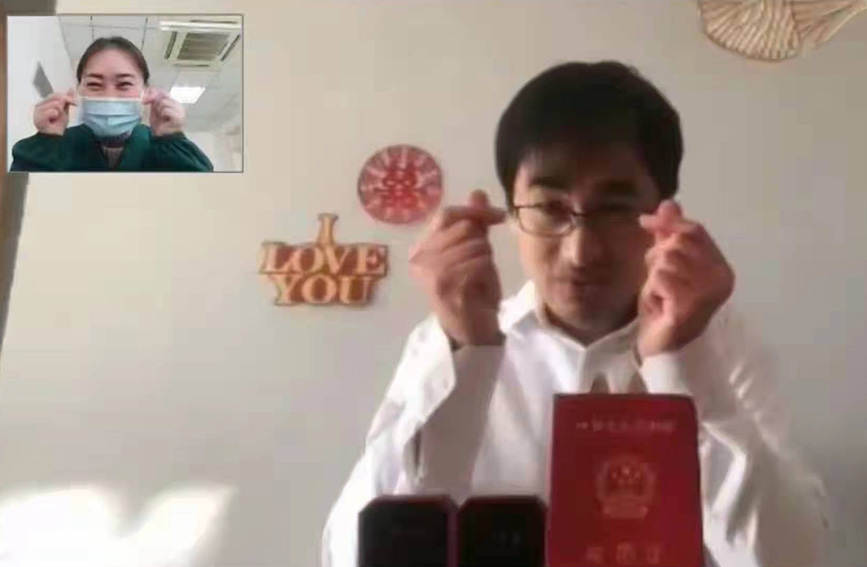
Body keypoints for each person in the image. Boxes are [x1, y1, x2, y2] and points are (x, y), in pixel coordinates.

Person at [321, 62, 829, 567]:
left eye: (615, 209)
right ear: (509, 214)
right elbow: (350, 557)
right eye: (549, 208)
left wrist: (681, 366)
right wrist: (466, 356)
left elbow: (794, 559)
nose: (581, 252)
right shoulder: (444, 341)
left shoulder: (715, 343)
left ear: (665, 216)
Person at [10, 36, 213, 172]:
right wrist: (46, 141)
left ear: (146, 92)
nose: (109, 95)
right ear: (78, 91)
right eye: (94, 84)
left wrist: (171, 139)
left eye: (124, 84)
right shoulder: (58, 144)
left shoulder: (163, 147)